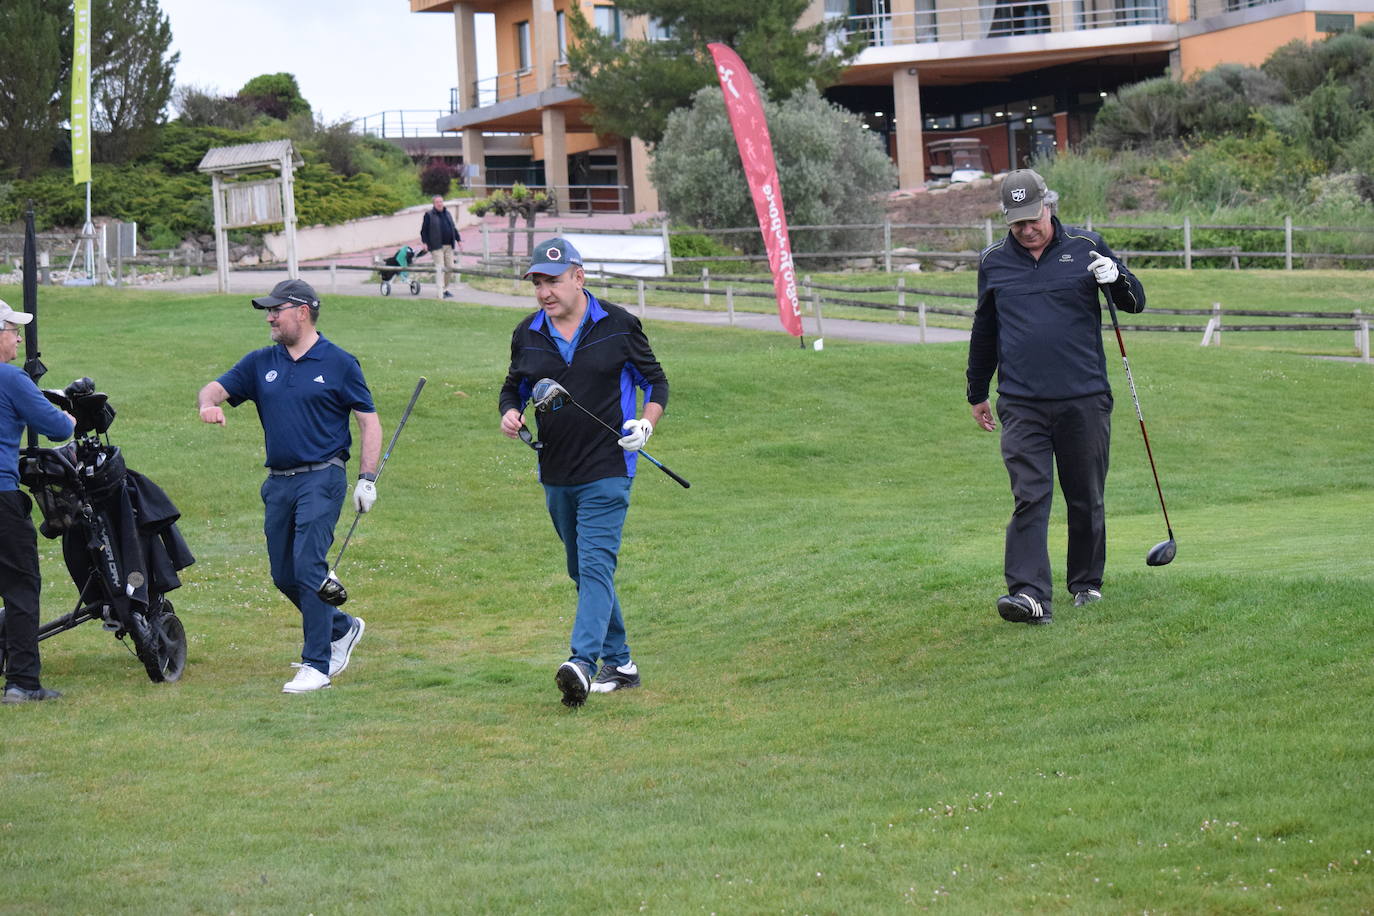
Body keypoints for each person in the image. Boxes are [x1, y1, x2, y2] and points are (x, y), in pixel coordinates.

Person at [966, 169, 1145, 626]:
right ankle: (1029, 596)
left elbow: (1134, 302)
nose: (1027, 228)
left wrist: (1116, 275)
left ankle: (1085, 582)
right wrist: (976, 390)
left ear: (1049, 205)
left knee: (1084, 493)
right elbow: (985, 330)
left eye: (1033, 217)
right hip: (1021, 401)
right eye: (1017, 222)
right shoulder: (994, 262)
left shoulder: (1087, 247)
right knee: (1030, 495)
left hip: (1084, 396)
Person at [498, 238, 669, 708]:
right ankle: (623, 663)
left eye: (552, 281)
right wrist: (510, 413)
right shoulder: (527, 333)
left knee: (595, 564)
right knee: (582, 568)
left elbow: (657, 380)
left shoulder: (619, 325)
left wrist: (646, 423)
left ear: (579, 277)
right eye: (537, 283)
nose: (544, 292)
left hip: (609, 467)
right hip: (555, 469)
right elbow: (513, 385)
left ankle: (583, 663)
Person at [197, 279, 381, 693]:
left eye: (275, 310)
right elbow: (214, 388)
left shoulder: (339, 362)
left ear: (301, 311)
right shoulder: (261, 362)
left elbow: (368, 420)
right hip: (278, 483)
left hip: (323, 476)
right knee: (284, 574)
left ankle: (318, 665)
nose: (269, 317)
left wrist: (367, 479)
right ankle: (342, 628)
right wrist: (208, 405)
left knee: (309, 568)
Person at [0, 299, 75, 704]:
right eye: (13, 331)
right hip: (1, 496)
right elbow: (54, 425)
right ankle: (23, 682)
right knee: (20, 586)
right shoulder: (10, 379)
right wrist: (71, 420)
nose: (17, 339)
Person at [419, 195, 461, 300]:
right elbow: (423, 230)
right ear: (434, 204)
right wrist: (424, 242)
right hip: (436, 246)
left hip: (449, 246)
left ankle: (445, 289)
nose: (439, 203)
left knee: (450, 267)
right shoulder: (429, 215)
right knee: (440, 268)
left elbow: (453, 228)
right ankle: (440, 291)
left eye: (441, 201)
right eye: (437, 202)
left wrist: (458, 240)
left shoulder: (447, 213)